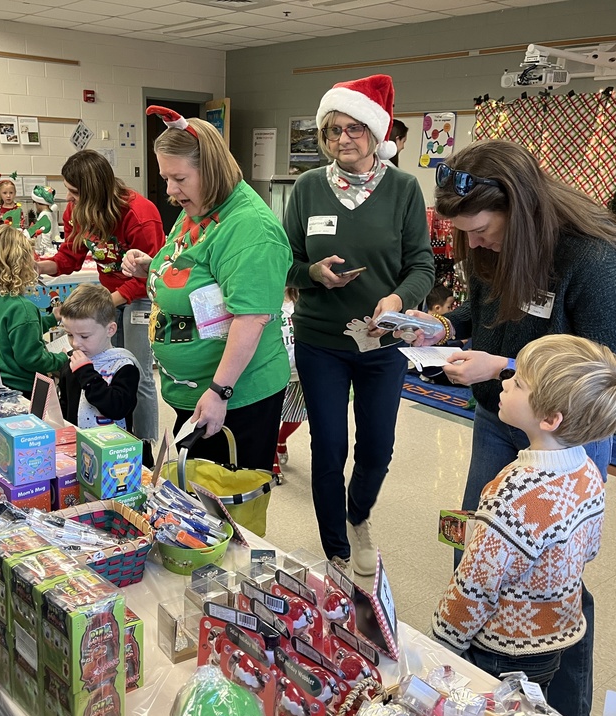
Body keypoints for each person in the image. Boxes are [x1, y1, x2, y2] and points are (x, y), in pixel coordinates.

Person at [403, 139, 616, 716]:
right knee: (483, 548)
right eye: (465, 234)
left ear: (520, 208)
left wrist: (503, 368)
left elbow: (606, 372)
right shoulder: (490, 245)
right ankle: (484, 701)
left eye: (481, 230)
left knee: (555, 578)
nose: (474, 244)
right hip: (501, 417)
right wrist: (440, 326)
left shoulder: (594, 255)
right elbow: (487, 319)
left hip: (567, 431)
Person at [283, 74, 434, 576]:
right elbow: (284, 262)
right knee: (328, 446)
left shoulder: (404, 189)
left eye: (354, 129)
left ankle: (358, 514)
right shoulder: (306, 189)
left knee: (377, 448)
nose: (343, 139)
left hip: (382, 342)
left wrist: (397, 296)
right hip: (319, 341)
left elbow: (422, 266)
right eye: (332, 131)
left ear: (375, 132)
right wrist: (310, 274)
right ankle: (336, 548)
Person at [432, 334, 616, 690]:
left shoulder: (512, 493)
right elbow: (589, 548)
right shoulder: (588, 471)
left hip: (500, 645)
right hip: (554, 637)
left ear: (550, 418)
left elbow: (476, 585)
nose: (506, 379)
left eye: (518, 382)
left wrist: (441, 644)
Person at [122, 106, 290, 472]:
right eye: (166, 177)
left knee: (223, 507)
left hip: (236, 396)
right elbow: (196, 269)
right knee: (194, 503)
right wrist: (152, 265)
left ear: (210, 170)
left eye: (178, 178)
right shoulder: (198, 206)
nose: (169, 190)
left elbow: (252, 318)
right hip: (194, 390)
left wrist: (219, 392)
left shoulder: (250, 228)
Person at [36, 150, 164, 449]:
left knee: (137, 372)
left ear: (95, 192)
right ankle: (105, 432)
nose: (70, 199)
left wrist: (110, 302)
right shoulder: (76, 211)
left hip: (141, 297)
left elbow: (153, 273)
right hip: (110, 296)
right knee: (101, 364)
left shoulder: (139, 215)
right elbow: (69, 258)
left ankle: (142, 443)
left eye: (75, 192)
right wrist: (41, 265)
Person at [0, 226, 69, 392]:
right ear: (23, 263)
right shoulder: (23, 308)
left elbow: (13, 333)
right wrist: (63, 358)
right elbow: (32, 358)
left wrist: (53, 318)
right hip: (24, 388)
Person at [57, 283, 141, 433]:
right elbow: (66, 406)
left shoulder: (124, 366)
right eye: (70, 334)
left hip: (114, 450)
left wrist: (87, 376)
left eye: (84, 336)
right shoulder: (71, 365)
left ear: (110, 330)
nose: (75, 343)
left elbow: (117, 408)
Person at [274, 288, 306, 483]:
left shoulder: (301, 300)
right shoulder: (268, 299)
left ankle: (280, 439)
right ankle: (272, 461)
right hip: (276, 371)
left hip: (301, 369)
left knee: (297, 415)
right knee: (269, 419)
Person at [27, 185, 59, 256]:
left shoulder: (44, 215)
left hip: (47, 252)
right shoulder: (50, 212)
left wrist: (42, 252)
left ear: (38, 202)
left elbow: (46, 235)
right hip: (51, 248)